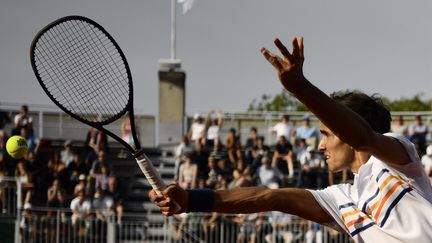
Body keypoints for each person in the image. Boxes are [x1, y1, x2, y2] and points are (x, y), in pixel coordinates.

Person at [150, 37, 432, 242]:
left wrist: (301, 88)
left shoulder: (399, 159)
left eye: (326, 134)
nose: (320, 145)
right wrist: (190, 199)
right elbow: (270, 196)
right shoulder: (342, 198)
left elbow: (364, 138)